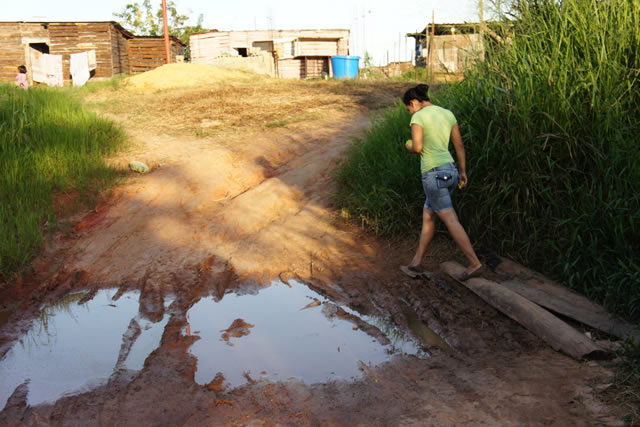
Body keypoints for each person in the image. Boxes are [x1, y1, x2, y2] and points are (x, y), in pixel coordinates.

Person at [400, 84, 483, 281]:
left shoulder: (418, 117)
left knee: (450, 218)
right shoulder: (447, 114)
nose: (410, 112)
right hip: (451, 171)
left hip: (433, 174)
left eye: (408, 108)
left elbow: (418, 147)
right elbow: (459, 145)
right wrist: (462, 171)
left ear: (413, 103)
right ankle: (416, 262)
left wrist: (408, 145)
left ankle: (474, 263)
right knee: (429, 214)